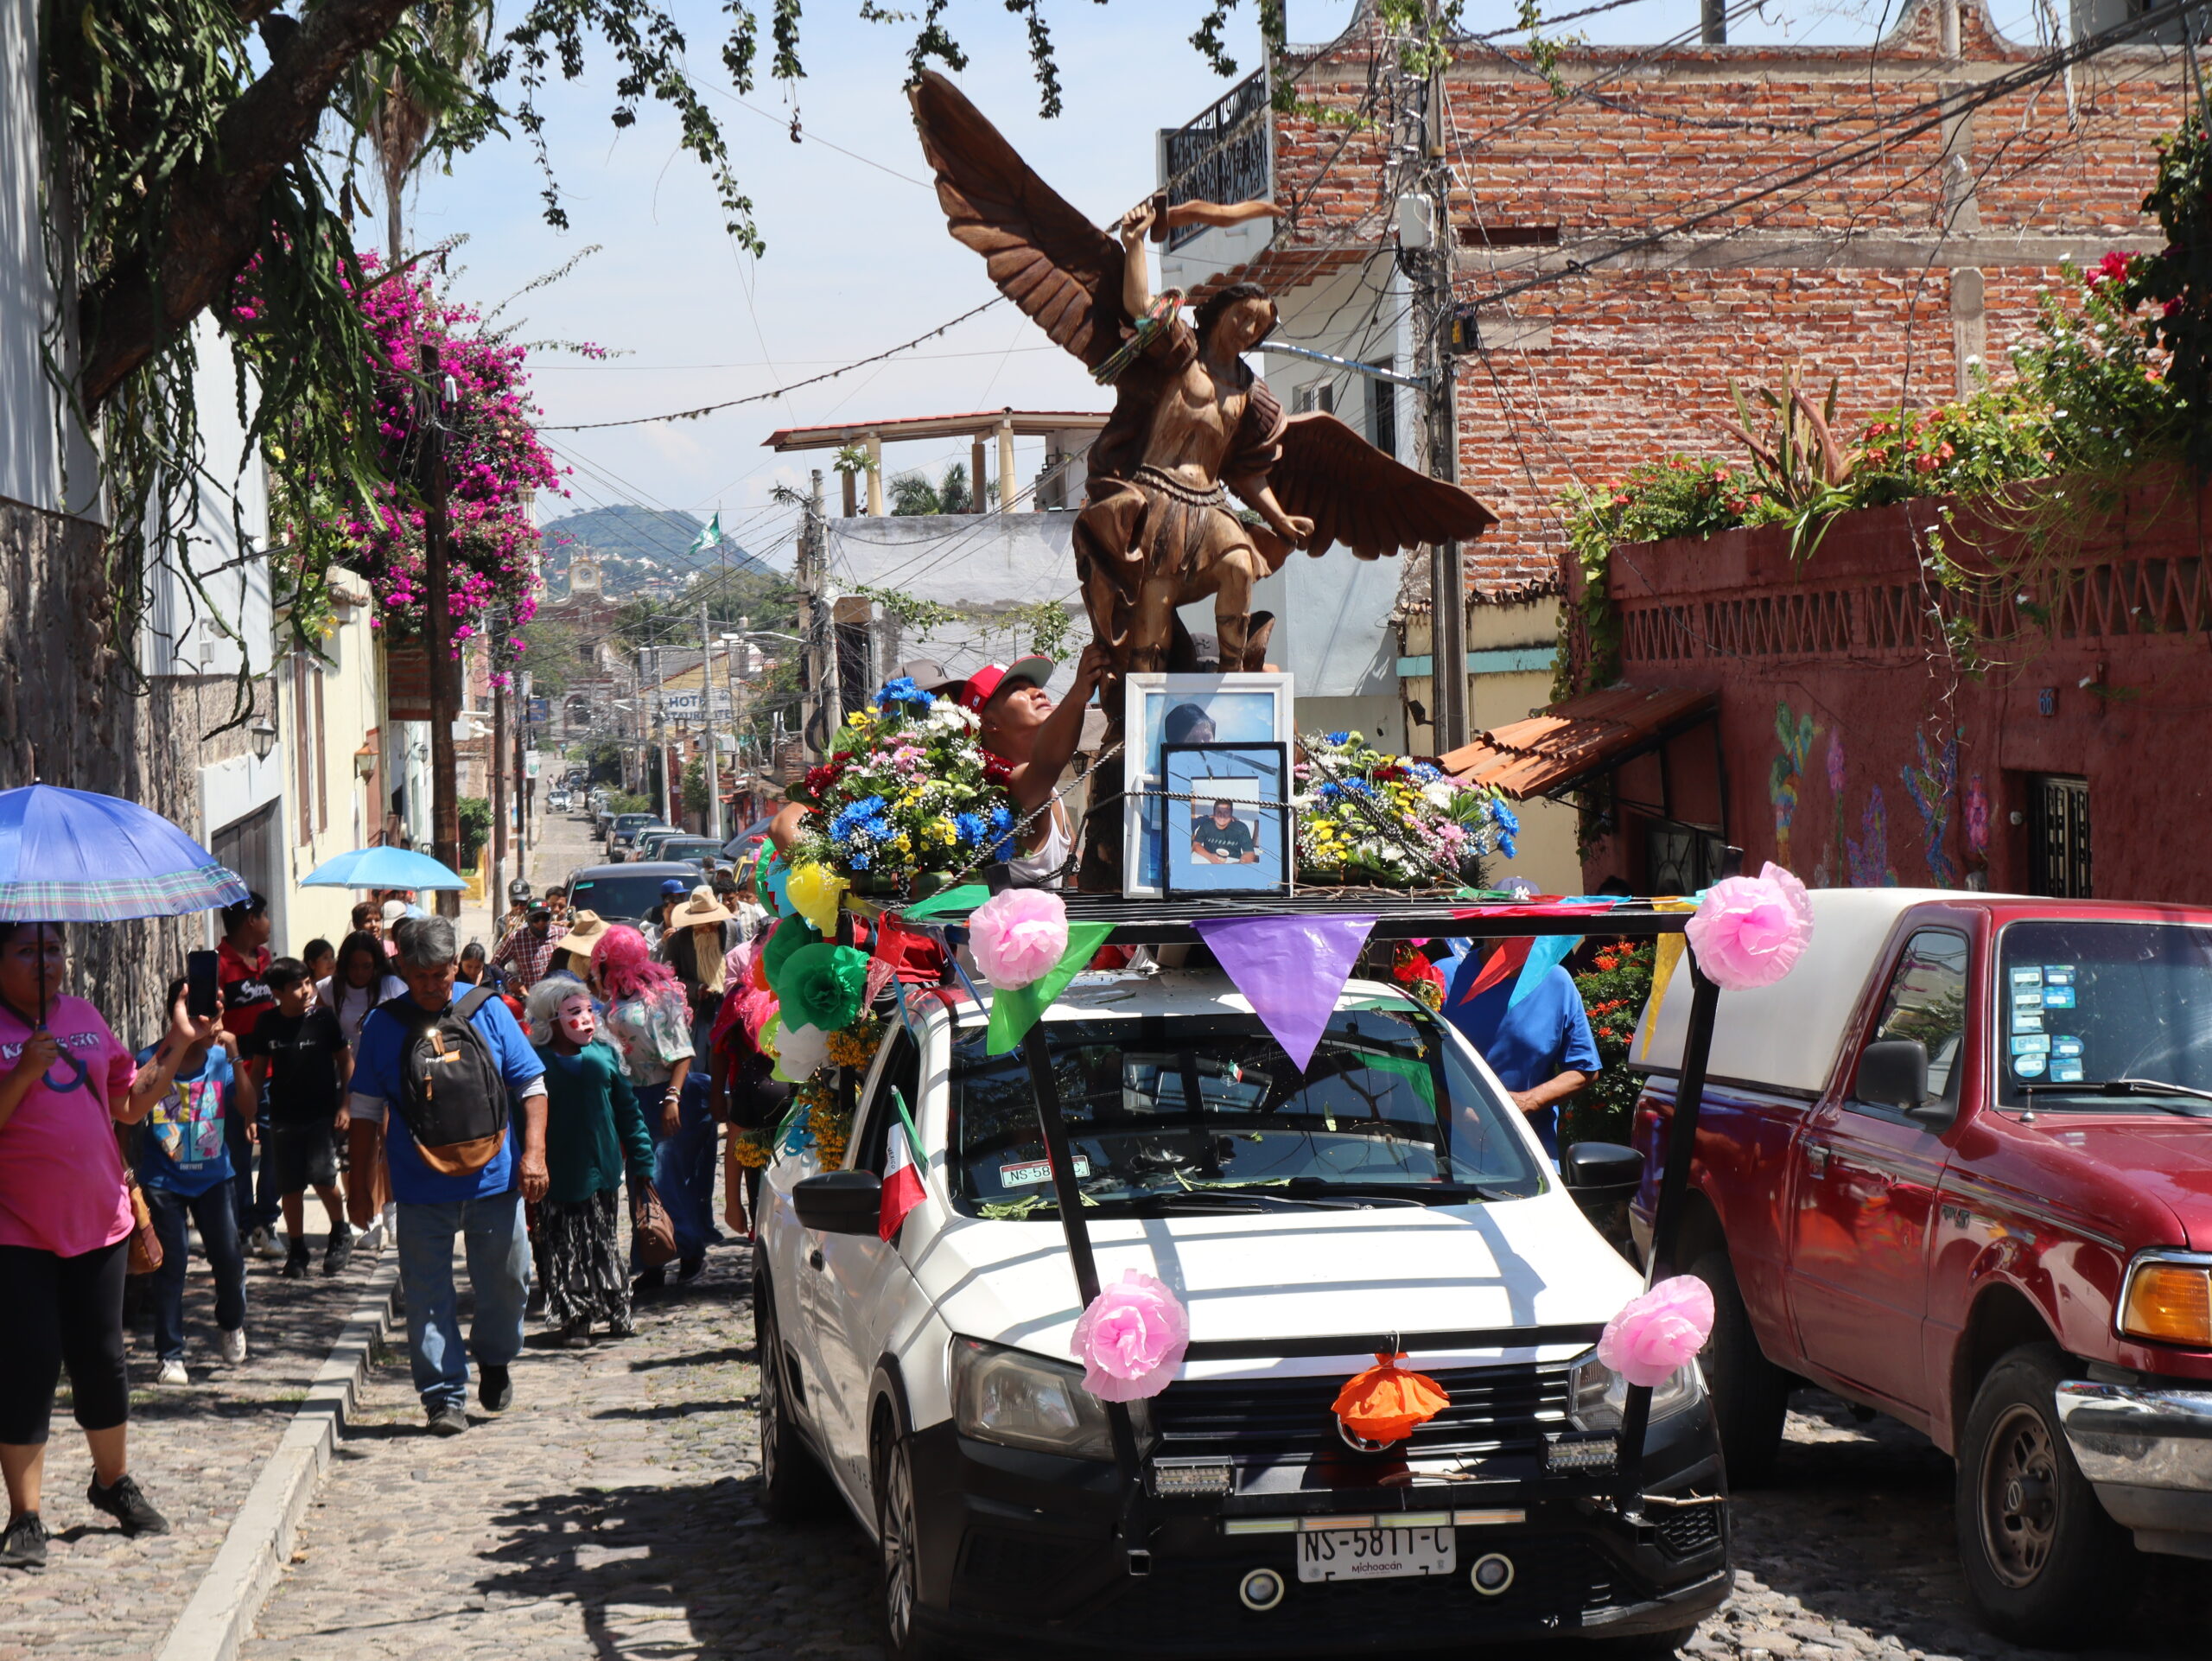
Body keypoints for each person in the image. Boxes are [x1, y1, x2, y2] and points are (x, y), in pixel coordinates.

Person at [1, 922, 207, 1569]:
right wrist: (23, 1072)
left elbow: (127, 1103)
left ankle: (112, 1484)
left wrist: (179, 1040)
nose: (47, 962)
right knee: (27, 1367)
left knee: (103, 1359)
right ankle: (25, 1517)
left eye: (54, 948)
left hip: (100, 1222)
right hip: (17, 1230)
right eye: (28, 950)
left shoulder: (85, 1017)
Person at [347, 916, 549, 1436]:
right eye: (421, 978)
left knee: (508, 1283)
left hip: (494, 1181)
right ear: (402, 971)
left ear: (456, 964)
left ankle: (497, 1357)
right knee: (426, 1295)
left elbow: (531, 1086)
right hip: (420, 1189)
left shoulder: (488, 1011)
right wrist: (359, 1190)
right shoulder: (383, 1027)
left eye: (441, 974)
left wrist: (534, 1155)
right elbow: (366, 1114)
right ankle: (443, 1397)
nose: (433, 987)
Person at [136, 977, 255, 1380]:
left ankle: (231, 1321)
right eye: (197, 1013)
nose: (207, 1021)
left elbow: (249, 1105)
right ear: (177, 1014)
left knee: (229, 1258)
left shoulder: (221, 1059)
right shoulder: (151, 1058)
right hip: (163, 1180)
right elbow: (130, 1107)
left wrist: (235, 1052)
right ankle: (170, 1354)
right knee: (171, 1266)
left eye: (215, 1013)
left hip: (214, 1178)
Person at [524, 980, 653, 1346]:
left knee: (603, 1240)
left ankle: (616, 1308)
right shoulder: (536, 1063)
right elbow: (522, 1119)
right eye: (574, 1013)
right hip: (556, 1174)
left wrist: (642, 1158)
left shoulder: (604, 1056)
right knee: (562, 1246)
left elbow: (629, 1112)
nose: (585, 1019)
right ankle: (575, 1316)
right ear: (552, 1018)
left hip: (602, 1168)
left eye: (588, 1011)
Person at [588, 926, 695, 1289]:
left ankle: (686, 1250)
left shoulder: (659, 999)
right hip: (630, 1100)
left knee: (662, 1177)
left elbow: (681, 1052)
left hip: (662, 1096)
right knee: (640, 1181)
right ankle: (652, 1260)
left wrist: (672, 1098)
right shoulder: (616, 1001)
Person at [238, 959, 353, 1279]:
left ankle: (339, 1232)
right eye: (296, 986)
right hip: (282, 1117)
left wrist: (345, 1105)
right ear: (277, 993)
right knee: (289, 1187)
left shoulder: (324, 1018)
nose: (306, 991)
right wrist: (250, 1114)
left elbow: (346, 1061)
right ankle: (298, 1249)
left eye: (307, 983)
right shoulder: (267, 1023)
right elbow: (258, 1070)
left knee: (322, 1178)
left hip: (320, 1115)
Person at [958, 645, 1109, 887]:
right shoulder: (998, 789)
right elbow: (1048, 762)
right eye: (1017, 689)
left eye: (1036, 686)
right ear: (988, 720)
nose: (1038, 693)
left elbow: (1072, 872)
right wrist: (1079, 692)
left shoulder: (1051, 792)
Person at [1441, 940, 1601, 1162]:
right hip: (1444, 1157)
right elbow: (1405, 1063)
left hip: (1529, 1158)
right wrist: (1459, 1115)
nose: (1507, 934)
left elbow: (1584, 1069)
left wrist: (1527, 1101)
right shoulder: (1443, 976)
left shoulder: (1557, 982)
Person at [654, 888, 732, 1266]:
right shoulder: (680, 941)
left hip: (724, 1018)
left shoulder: (729, 936)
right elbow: (668, 980)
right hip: (695, 1023)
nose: (709, 926)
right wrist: (695, 989)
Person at [318, 931, 406, 1251]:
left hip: (387, 1077)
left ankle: (393, 1215)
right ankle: (365, 1218)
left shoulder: (392, 988)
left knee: (390, 1142)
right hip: (349, 1082)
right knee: (359, 1151)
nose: (359, 973)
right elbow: (320, 1032)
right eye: (353, 967)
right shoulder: (328, 991)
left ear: (377, 965)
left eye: (366, 966)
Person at [215, 893, 283, 1259]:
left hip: (270, 1070)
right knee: (238, 1151)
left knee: (274, 1150)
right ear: (249, 920)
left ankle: (265, 1220)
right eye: (265, 915)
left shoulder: (265, 959)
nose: (269, 923)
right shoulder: (219, 964)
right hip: (233, 1074)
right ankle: (241, 1223)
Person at [489, 905, 556, 992]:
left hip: (558, 997)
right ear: (527, 919)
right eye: (535, 918)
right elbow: (494, 963)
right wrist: (512, 982)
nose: (541, 922)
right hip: (531, 998)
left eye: (545, 917)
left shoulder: (561, 933)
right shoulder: (516, 939)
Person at [1192, 799, 1259, 864]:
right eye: (1219, 812)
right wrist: (1209, 857)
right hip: (1207, 861)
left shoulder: (1241, 828)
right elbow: (1196, 844)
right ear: (1214, 813)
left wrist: (1241, 863)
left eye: (1226, 813)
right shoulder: (1206, 825)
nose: (1222, 816)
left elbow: (1249, 853)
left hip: (1233, 862)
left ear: (1231, 814)